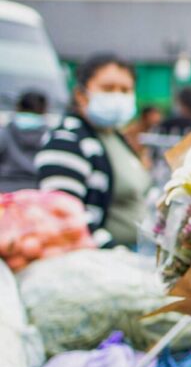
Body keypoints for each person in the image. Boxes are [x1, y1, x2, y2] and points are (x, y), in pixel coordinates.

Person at [35, 54, 152, 248]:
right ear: (81, 95)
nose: (117, 96)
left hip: (131, 256)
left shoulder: (115, 137)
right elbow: (64, 215)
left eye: (125, 90)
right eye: (108, 88)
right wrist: (112, 250)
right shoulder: (67, 139)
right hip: (101, 261)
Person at [0, 91, 49, 193]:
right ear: (44, 110)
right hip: (36, 194)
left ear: (18, 107)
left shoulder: (4, 134)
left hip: (4, 193)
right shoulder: (49, 137)